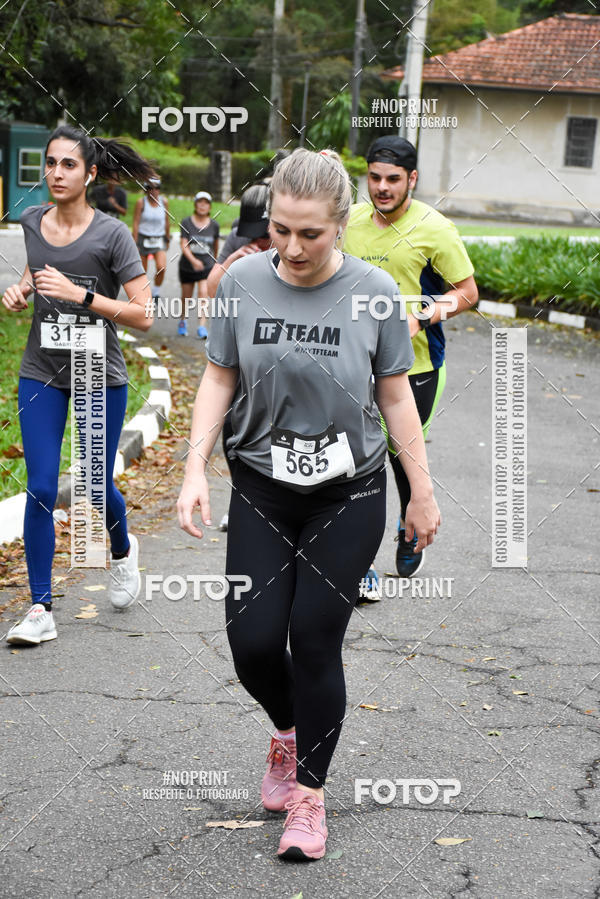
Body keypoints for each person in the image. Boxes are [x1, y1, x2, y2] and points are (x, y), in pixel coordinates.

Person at [177, 148, 440, 860]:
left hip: (348, 490)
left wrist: (421, 488)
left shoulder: (377, 292)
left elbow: (394, 395)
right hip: (262, 485)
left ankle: (311, 799)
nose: (291, 248)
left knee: (315, 635)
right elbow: (217, 378)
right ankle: (287, 733)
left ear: (341, 227)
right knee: (254, 642)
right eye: (280, 231)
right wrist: (195, 466)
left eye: (310, 234)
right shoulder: (241, 284)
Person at [2, 125, 154, 645]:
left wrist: (80, 296)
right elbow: (36, 268)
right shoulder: (30, 220)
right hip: (41, 369)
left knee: (92, 484)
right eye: (50, 163)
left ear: (90, 173)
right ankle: (40, 608)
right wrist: (21, 289)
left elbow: (143, 315)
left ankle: (121, 549)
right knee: (42, 485)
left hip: (97, 371)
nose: (56, 173)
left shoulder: (111, 234)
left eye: (68, 164)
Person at [344, 135, 478, 578]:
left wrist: (425, 313)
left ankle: (409, 524)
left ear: (412, 179)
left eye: (393, 180)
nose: (382, 187)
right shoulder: (351, 222)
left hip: (416, 366)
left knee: (402, 456)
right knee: (355, 463)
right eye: (375, 177)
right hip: (352, 363)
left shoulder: (435, 228)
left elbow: (467, 294)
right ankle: (358, 561)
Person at [205, 183, 272, 531]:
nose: (259, 242)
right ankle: (243, 498)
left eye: (265, 235)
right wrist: (233, 260)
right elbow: (211, 289)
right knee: (233, 430)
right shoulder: (239, 241)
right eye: (253, 235)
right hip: (243, 354)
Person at [177, 191, 219, 338]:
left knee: (203, 293)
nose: (202, 205)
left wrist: (215, 263)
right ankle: (183, 320)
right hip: (187, 266)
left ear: (209, 206)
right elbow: (183, 244)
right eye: (200, 202)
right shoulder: (186, 222)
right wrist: (193, 261)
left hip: (206, 266)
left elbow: (215, 245)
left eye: (206, 202)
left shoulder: (214, 225)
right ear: (195, 204)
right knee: (186, 297)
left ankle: (202, 327)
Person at [132, 177, 169, 303]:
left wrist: (168, 238)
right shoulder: (141, 202)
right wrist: (135, 242)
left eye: (156, 188)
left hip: (159, 238)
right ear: (146, 190)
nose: (153, 191)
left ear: (159, 190)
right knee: (142, 271)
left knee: (161, 267)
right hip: (143, 238)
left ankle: (156, 292)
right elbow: (136, 222)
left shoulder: (164, 202)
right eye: (150, 188)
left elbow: (167, 220)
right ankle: (142, 294)